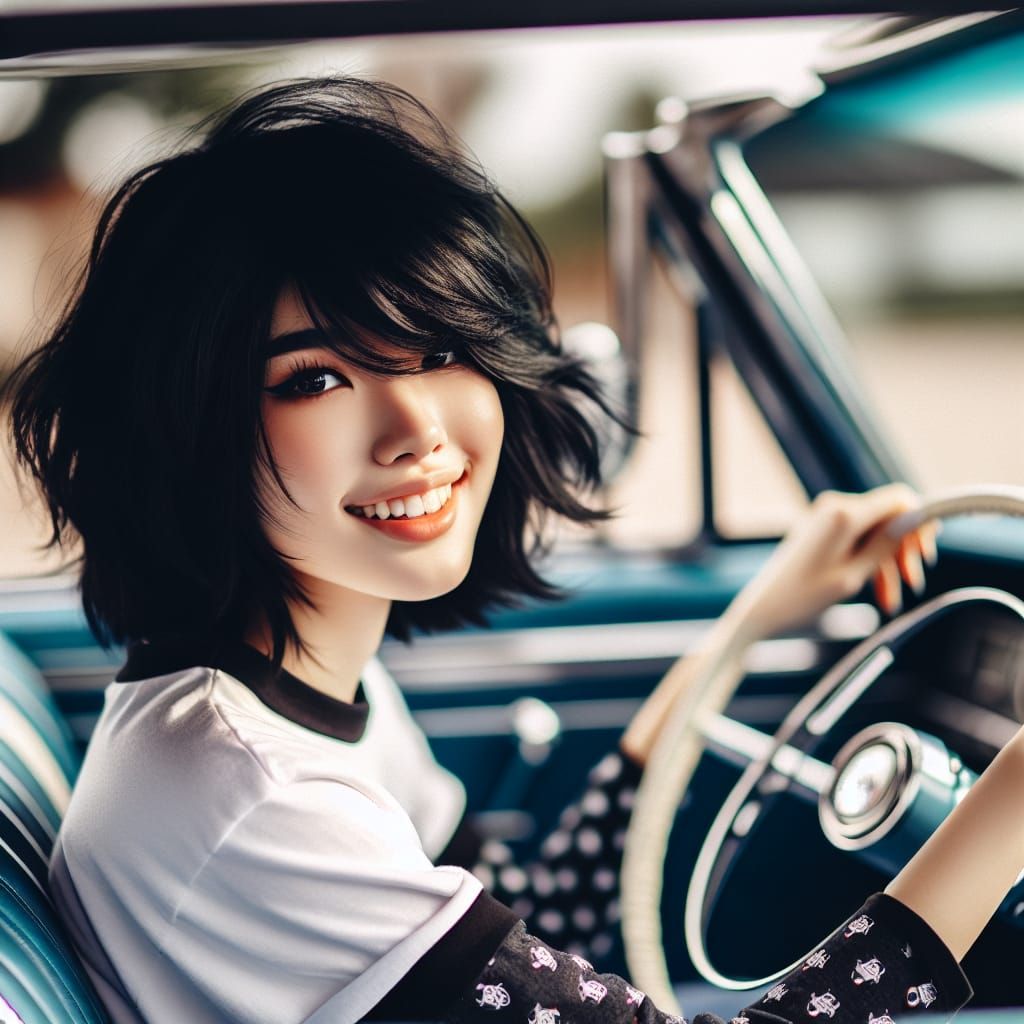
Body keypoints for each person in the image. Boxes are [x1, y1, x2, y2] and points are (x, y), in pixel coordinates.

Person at [0, 75, 998, 1024]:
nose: (413, 428)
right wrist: (1003, 815)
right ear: (183, 428)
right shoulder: (244, 794)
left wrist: (738, 636)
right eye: (313, 379)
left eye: (438, 351)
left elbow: (535, 922)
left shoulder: (286, 698)